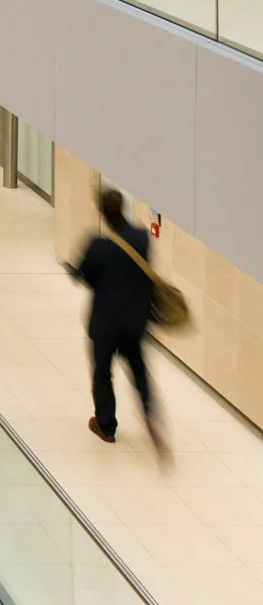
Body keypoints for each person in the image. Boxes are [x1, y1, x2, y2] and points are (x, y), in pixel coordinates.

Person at [69, 186, 169, 459]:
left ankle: (106, 425)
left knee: (103, 373)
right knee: (139, 371)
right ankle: (150, 415)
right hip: (135, 321)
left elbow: (82, 276)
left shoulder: (98, 246)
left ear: (102, 213)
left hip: (105, 323)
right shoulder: (141, 238)